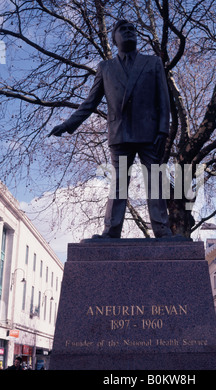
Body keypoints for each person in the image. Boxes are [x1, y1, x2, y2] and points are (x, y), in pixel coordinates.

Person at [49, 19, 173, 239]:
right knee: (118, 185)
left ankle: (162, 230)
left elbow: (163, 99)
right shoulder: (105, 68)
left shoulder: (152, 63)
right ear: (114, 38)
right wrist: (68, 125)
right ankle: (111, 230)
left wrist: (163, 130)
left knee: (155, 182)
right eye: (122, 30)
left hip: (150, 133)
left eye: (132, 29)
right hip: (121, 134)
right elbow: (90, 102)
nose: (128, 32)